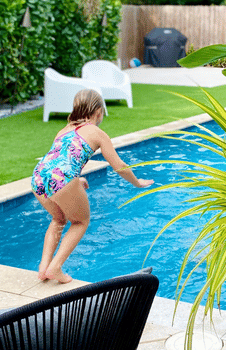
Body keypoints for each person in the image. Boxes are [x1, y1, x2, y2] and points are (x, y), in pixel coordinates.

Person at [31, 89, 153, 283]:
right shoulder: (97, 133)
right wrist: (137, 182)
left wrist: (76, 180)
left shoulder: (64, 130)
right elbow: (120, 166)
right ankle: (55, 268)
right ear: (98, 111)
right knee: (80, 222)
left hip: (38, 176)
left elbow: (59, 161)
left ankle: (43, 267)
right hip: (61, 178)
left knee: (58, 218)